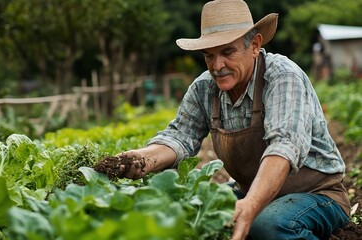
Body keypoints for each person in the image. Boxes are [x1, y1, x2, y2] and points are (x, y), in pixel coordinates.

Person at [112, 0, 350, 239]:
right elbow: (179, 137)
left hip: (318, 194)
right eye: (209, 56)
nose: (217, 66)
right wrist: (141, 159)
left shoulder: (282, 76)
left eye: (227, 52)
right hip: (252, 193)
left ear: (255, 45)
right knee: (190, 212)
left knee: (267, 226)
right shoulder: (204, 88)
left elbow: (284, 146)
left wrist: (251, 204)